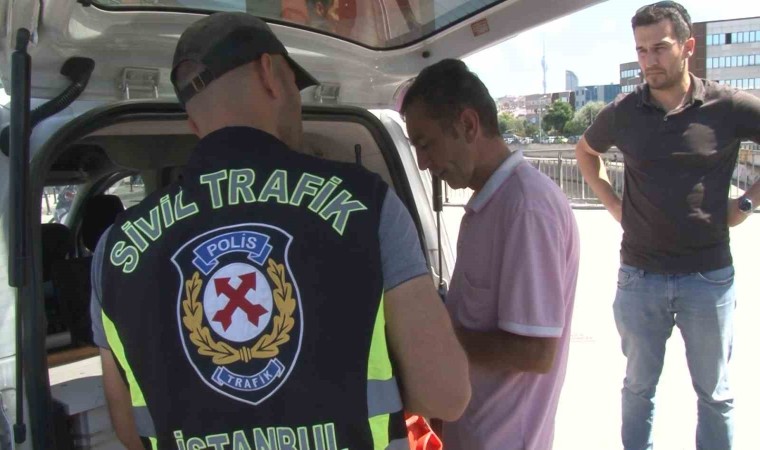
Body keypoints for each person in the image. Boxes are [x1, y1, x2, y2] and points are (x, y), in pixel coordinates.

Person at [90, 12, 470, 449]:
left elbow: (131, 430)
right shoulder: (366, 205)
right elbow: (445, 395)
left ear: (194, 124)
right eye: (295, 85)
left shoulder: (114, 249)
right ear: (272, 74)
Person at [575, 2, 760, 449]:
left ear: (688, 47)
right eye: (641, 51)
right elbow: (586, 152)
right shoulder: (623, 111)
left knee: (715, 395)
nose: (649, 61)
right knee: (638, 390)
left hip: (709, 277)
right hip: (640, 277)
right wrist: (613, 204)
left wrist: (747, 203)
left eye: (659, 48)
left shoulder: (726, 105)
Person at [401, 59, 580, 450]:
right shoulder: (493, 203)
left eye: (426, 144)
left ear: (468, 125)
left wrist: (434, 335)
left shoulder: (526, 206)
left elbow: (535, 352)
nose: (423, 163)